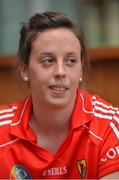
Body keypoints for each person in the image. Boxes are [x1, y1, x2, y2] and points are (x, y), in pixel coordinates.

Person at [0, 11, 119, 179]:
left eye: (71, 61)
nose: (61, 72)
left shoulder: (109, 124)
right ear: (25, 70)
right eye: (48, 60)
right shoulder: (2, 131)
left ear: (81, 69)